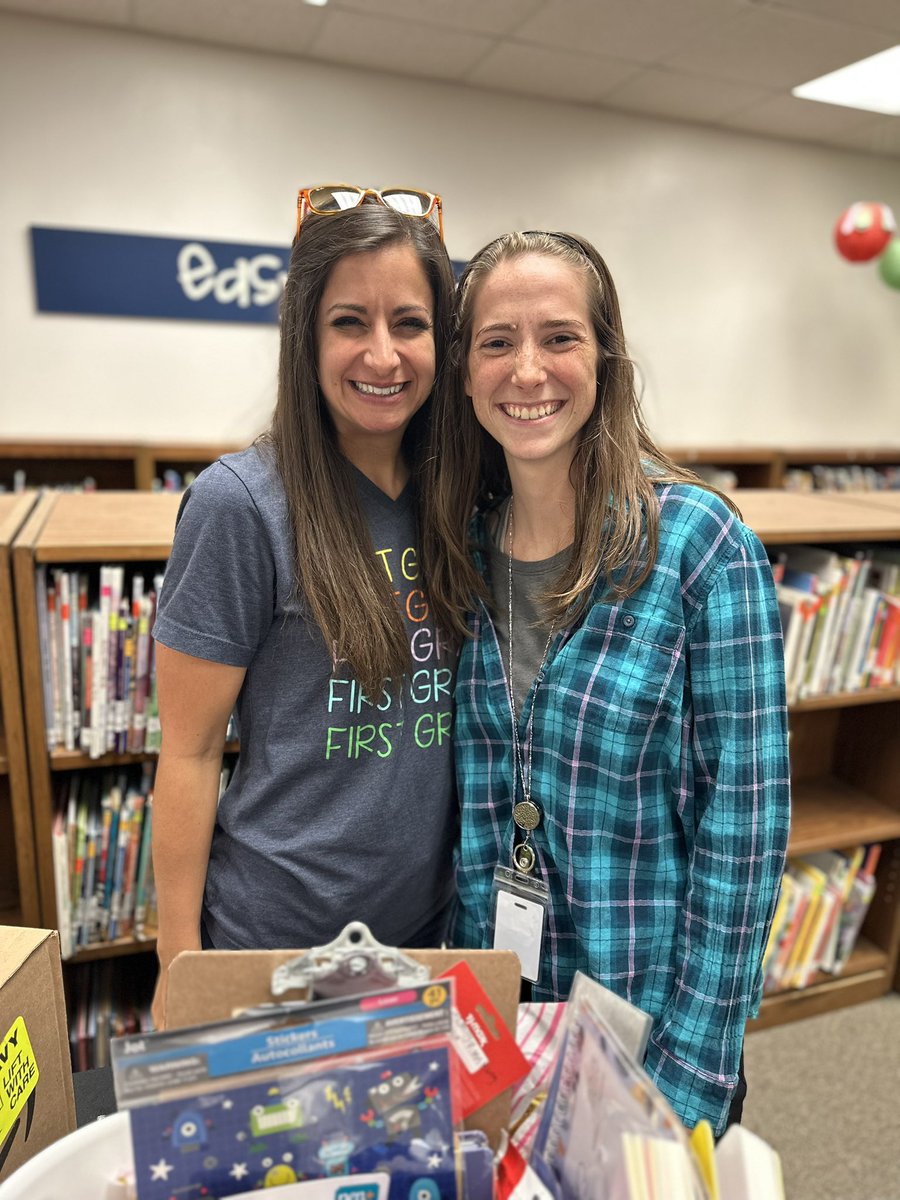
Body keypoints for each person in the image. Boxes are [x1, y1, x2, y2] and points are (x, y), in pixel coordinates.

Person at [422, 230, 790, 1134]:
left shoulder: (698, 544)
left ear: (605, 360)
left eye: (559, 338)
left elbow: (744, 832)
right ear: (465, 373)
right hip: (496, 1023)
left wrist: (688, 1079)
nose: (528, 369)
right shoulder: (458, 550)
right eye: (496, 341)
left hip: (646, 1031)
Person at [150, 186, 457, 1030]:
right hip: (274, 945)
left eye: (411, 323)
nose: (384, 355)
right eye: (349, 322)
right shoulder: (241, 505)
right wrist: (180, 965)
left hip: (431, 940)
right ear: (306, 337)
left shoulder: (463, 494)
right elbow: (190, 752)